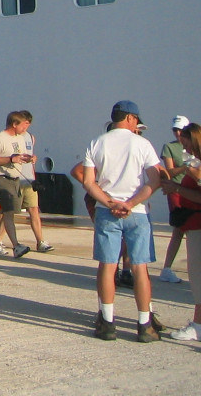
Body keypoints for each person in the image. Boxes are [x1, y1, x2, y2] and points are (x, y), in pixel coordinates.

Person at [82, 100, 162, 342]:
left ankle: (107, 322)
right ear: (129, 118)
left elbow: (88, 181)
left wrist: (109, 203)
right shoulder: (142, 144)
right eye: (136, 119)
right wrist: (130, 203)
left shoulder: (97, 142)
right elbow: (155, 180)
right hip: (136, 212)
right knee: (140, 269)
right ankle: (144, 324)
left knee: (107, 266)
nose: (136, 123)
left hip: (108, 212)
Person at [159, 122, 201, 340]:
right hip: (192, 223)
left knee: (198, 275)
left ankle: (197, 325)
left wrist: (177, 188)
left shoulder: (197, 166)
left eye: (185, 144)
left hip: (197, 224)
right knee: (196, 275)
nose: (184, 149)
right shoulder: (193, 163)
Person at [0, 110, 35, 258]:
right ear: (14, 124)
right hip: (2, 178)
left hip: (15, 180)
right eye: (22, 125)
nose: (24, 128)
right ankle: (16, 245)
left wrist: (28, 158)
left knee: (8, 211)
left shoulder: (20, 138)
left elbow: (18, 155)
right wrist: (10, 159)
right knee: (8, 212)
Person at [159, 115, 193, 283]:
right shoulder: (169, 148)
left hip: (193, 190)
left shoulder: (194, 148)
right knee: (179, 229)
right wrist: (185, 168)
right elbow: (169, 172)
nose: (178, 133)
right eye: (175, 129)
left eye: (181, 129)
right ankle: (167, 268)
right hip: (177, 192)